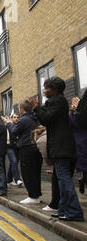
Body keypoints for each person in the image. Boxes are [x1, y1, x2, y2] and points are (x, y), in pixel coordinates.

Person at [31, 77, 84, 221]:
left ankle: (74, 211)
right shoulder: (58, 101)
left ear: (53, 89)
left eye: (46, 88)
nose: (44, 91)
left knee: (65, 180)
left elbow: (46, 118)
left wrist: (36, 107)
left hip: (62, 148)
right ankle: (63, 209)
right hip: (62, 148)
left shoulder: (57, 101)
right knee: (61, 180)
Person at [7, 99, 42, 204]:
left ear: (22, 109)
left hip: (26, 148)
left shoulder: (24, 120)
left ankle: (33, 196)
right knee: (36, 173)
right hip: (36, 147)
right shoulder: (36, 117)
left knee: (27, 173)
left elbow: (14, 131)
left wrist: (9, 123)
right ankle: (37, 195)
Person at [70, 93, 87, 194]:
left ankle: (83, 180)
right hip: (81, 144)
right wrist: (74, 112)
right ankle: (83, 180)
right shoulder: (74, 116)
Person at [5, 113, 23, 187]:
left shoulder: (19, 126)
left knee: (13, 163)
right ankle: (17, 179)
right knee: (14, 161)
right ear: (11, 118)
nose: (16, 118)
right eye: (14, 117)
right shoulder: (7, 126)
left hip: (17, 147)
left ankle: (8, 180)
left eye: (18, 117)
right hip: (9, 147)